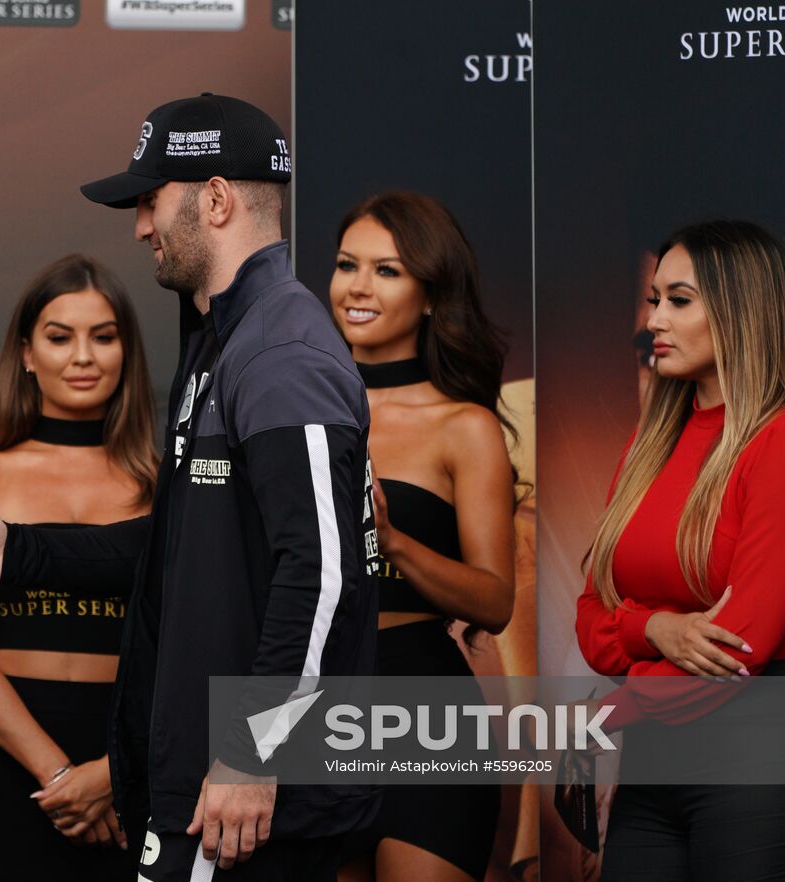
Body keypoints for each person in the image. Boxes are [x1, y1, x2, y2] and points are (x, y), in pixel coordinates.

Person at [0, 93, 380, 881]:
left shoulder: (280, 350)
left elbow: (321, 575)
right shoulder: (226, 343)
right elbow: (181, 548)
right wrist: (21, 551)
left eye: (151, 201)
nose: (141, 226)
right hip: (200, 790)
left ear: (213, 198)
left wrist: (252, 752)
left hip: (242, 799)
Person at [574, 220, 785, 880]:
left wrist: (603, 712)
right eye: (652, 299)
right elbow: (591, 618)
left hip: (761, 755)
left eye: (679, 299)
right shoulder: (649, 446)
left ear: (739, 311)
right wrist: (655, 627)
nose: (654, 320)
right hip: (652, 763)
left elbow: (737, 647)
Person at [0, 254, 157, 880]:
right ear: (26, 354)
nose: (83, 356)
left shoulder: (169, 485)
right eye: (59, 337)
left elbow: (195, 649)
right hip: (8, 764)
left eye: (103, 337)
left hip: (134, 755)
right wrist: (58, 776)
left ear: (127, 352)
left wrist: (112, 773)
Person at [327, 192, 516, 882]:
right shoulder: (289, 407)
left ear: (432, 294)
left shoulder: (462, 426)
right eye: (348, 265)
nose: (357, 286)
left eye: (387, 270)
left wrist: (392, 540)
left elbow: (494, 601)